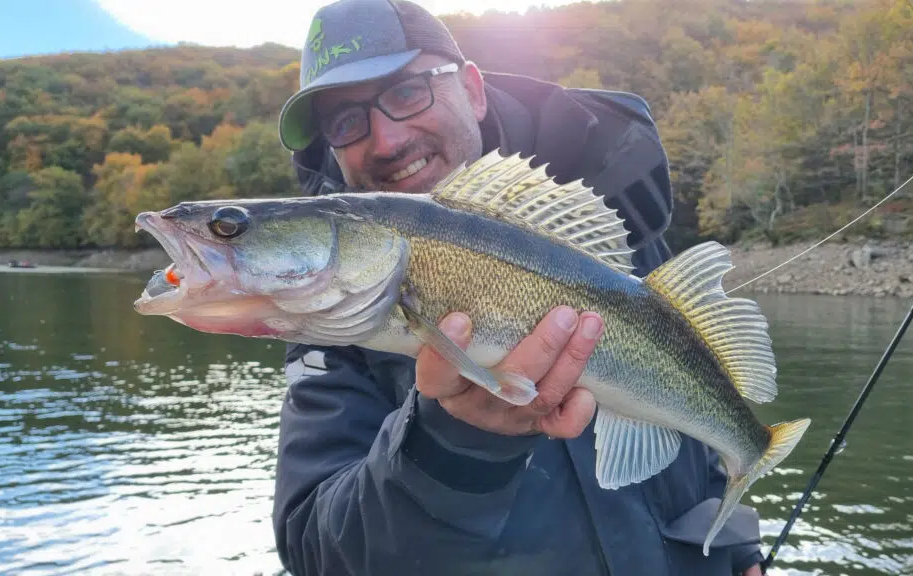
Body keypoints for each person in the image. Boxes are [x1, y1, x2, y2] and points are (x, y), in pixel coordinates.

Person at [272, 0, 766, 574]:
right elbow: (317, 550)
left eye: (408, 92)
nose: (385, 141)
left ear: (473, 91)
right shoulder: (337, 310)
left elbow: (686, 410)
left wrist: (736, 548)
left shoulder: (605, 231)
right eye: (345, 122)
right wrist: (451, 444)